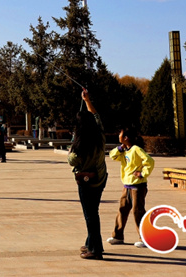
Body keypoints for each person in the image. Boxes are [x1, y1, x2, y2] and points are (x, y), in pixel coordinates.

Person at [68, 89, 108, 260]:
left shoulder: (80, 145)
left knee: (90, 215)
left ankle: (95, 250)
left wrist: (72, 145)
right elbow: (96, 116)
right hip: (100, 179)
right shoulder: (100, 136)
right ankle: (91, 242)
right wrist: (87, 100)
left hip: (86, 183)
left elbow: (72, 161)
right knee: (93, 212)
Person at [107, 127, 154, 248]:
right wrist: (120, 148)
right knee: (122, 210)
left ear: (126, 137)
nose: (119, 136)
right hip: (127, 185)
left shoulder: (136, 149)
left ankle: (144, 238)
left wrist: (142, 173)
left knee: (138, 211)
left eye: (120, 134)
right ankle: (117, 236)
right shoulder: (124, 151)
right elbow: (112, 156)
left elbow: (149, 161)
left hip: (137, 186)